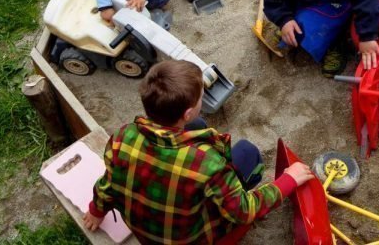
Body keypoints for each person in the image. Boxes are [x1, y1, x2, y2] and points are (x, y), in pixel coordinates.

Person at [83, 60, 314, 244]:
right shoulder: (207, 163)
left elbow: (108, 184)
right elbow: (244, 211)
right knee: (247, 152)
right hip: (196, 238)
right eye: (201, 97)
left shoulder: (124, 135)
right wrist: (288, 181)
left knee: (199, 127)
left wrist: (96, 210)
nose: (203, 99)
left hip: (148, 234)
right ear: (187, 112)